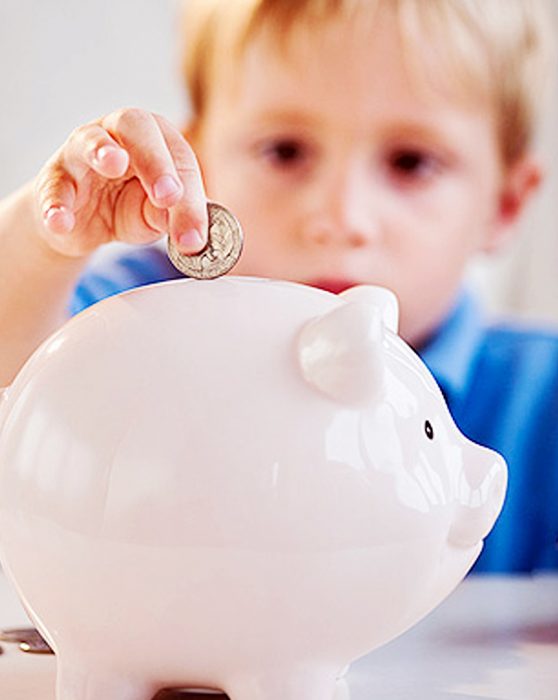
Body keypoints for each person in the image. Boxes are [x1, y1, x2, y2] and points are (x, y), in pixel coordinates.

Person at [0, 0, 556, 572]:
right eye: (285, 151)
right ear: (201, 162)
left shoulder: (541, 405)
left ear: (505, 205)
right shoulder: (139, 318)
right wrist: (43, 243)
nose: (342, 218)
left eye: (412, 162)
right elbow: (15, 371)